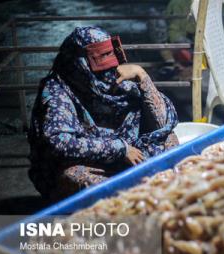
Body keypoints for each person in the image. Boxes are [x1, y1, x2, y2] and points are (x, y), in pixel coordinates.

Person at [28, 26, 179, 201]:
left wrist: (142, 76)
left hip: (123, 153)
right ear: (80, 64)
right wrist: (119, 149)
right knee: (74, 178)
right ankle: (130, 202)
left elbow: (163, 122)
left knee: (169, 139)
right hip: (87, 162)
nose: (108, 73)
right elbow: (59, 144)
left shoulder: (109, 78)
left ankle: (148, 190)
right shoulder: (56, 91)